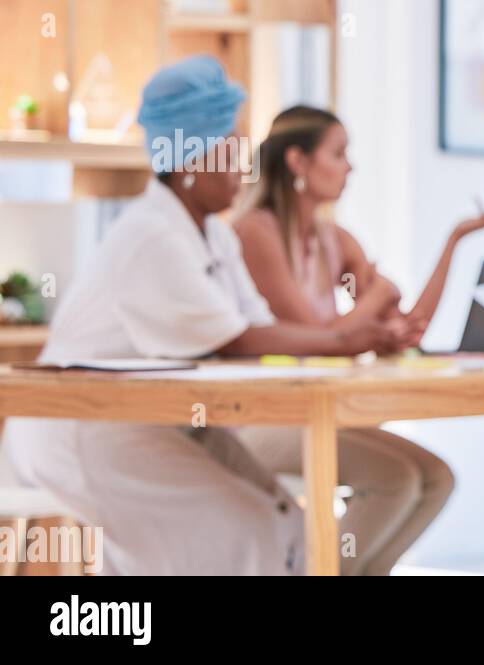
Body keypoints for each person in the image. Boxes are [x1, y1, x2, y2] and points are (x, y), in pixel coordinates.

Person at [0, 56, 398, 575]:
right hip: (84, 431)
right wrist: (348, 338)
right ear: (192, 157)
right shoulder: (151, 234)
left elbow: (261, 330)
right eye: (232, 150)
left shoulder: (211, 233)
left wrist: (351, 335)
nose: (244, 166)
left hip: (151, 422)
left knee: (284, 523)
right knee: (250, 530)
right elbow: (239, 340)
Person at [230, 105, 484, 575]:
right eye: (338, 154)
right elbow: (317, 337)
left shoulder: (334, 239)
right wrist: (374, 301)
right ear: (298, 162)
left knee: (435, 478)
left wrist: (453, 243)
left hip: (318, 410)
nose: (350, 167)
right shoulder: (254, 233)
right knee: (393, 478)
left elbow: (408, 325)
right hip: (258, 415)